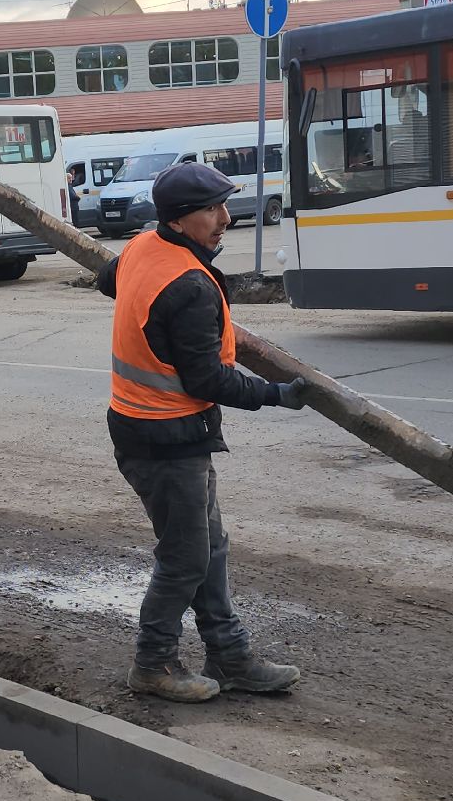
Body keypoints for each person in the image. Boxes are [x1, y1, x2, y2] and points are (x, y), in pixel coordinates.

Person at [97, 162, 308, 704]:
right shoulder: (189, 284)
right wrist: (275, 394)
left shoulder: (145, 247)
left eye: (223, 206)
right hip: (165, 439)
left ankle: (230, 656)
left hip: (148, 430)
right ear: (180, 218)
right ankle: (153, 663)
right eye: (211, 209)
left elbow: (107, 279)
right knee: (188, 555)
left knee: (207, 547)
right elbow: (207, 378)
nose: (223, 218)